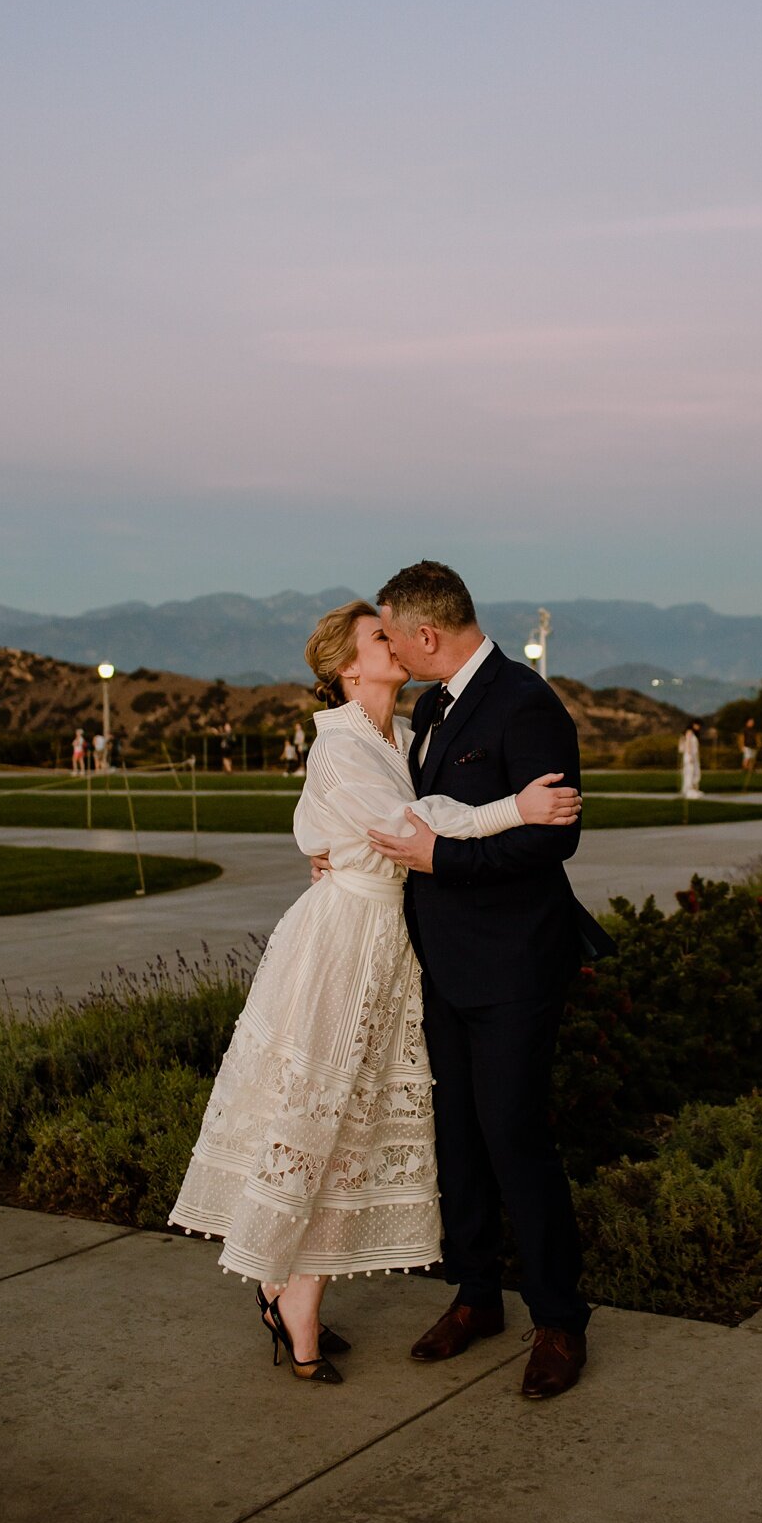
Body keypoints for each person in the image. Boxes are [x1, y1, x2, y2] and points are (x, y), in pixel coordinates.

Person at [169, 595, 579, 1388]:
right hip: (345, 949)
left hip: (398, 947)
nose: (392, 641)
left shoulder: (403, 727)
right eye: (375, 635)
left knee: (363, 1125)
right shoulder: (343, 742)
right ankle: (295, 1299)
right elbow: (411, 819)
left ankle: (288, 1283)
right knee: (324, 1115)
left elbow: (334, 812)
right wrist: (516, 807)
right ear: (345, 665)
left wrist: (321, 842)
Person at [363, 559, 605, 1402]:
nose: (387, 645)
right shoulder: (431, 707)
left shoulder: (527, 704)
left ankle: (558, 1318)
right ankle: (476, 1296)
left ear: (427, 635)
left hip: (511, 964)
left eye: (391, 632)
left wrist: (442, 857)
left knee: (513, 1136)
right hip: (441, 962)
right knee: (458, 1140)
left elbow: (554, 841)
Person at [678, 721, 702, 798]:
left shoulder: (694, 734)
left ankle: (693, 789)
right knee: (689, 772)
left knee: (695, 772)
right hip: (690, 755)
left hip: (693, 756)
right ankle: (688, 790)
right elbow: (688, 743)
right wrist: (689, 754)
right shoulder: (689, 732)